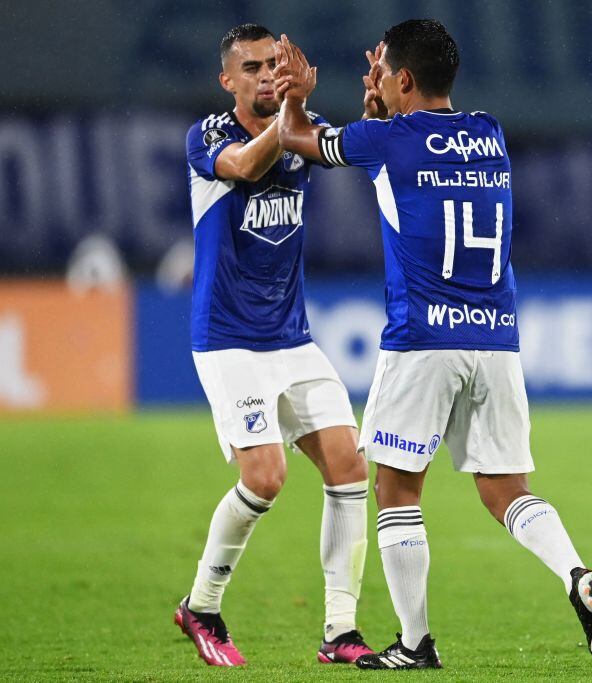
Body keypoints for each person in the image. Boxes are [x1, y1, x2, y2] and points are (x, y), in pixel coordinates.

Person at [274, 20, 592, 670]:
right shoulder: (489, 135)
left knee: (398, 491)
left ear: (401, 79)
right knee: (505, 489)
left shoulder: (385, 139)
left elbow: (298, 139)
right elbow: (403, 148)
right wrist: (381, 107)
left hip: (423, 338)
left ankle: (414, 643)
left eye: (380, 75)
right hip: (496, 336)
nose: (373, 85)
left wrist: (297, 94)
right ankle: (576, 574)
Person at [175, 23, 375, 667]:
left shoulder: (300, 120)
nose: (266, 76)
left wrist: (375, 112)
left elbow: (353, 151)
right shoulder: (208, 136)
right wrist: (291, 115)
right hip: (229, 340)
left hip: (292, 337)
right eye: (253, 68)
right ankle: (201, 607)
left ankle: (340, 632)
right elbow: (243, 165)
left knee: (350, 467)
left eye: (275, 65)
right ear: (227, 79)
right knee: (264, 477)